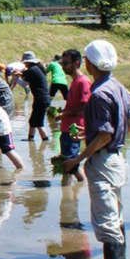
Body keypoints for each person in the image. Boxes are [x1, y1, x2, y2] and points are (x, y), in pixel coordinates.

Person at [63, 40, 130, 259]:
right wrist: (89, 132)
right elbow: (128, 125)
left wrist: (79, 158)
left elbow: (105, 134)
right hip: (117, 159)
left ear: (90, 63)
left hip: (103, 160)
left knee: (106, 219)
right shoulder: (118, 87)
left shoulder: (99, 94)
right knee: (117, 214)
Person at [57, 49, 90, 185]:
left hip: (74, 128)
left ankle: (78, 187)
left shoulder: (83, 82)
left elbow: (85, 107)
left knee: (70, 163)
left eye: (66, 63)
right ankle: (68, 191)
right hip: (67, 127)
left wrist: (65, 114)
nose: (63, 67)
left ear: (76, 63)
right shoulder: (75, 81)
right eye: (62, 64)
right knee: (66, 162)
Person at [20, 51, 51, 141]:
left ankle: (45, 141)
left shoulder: (32, 70)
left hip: (40, 99)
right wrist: (20, 75)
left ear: (27, 62)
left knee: (38, 123)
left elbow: (24, 84)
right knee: (33, 121)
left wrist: (16, 78)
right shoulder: (37, 68)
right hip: (42, 99)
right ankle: (30, 139)